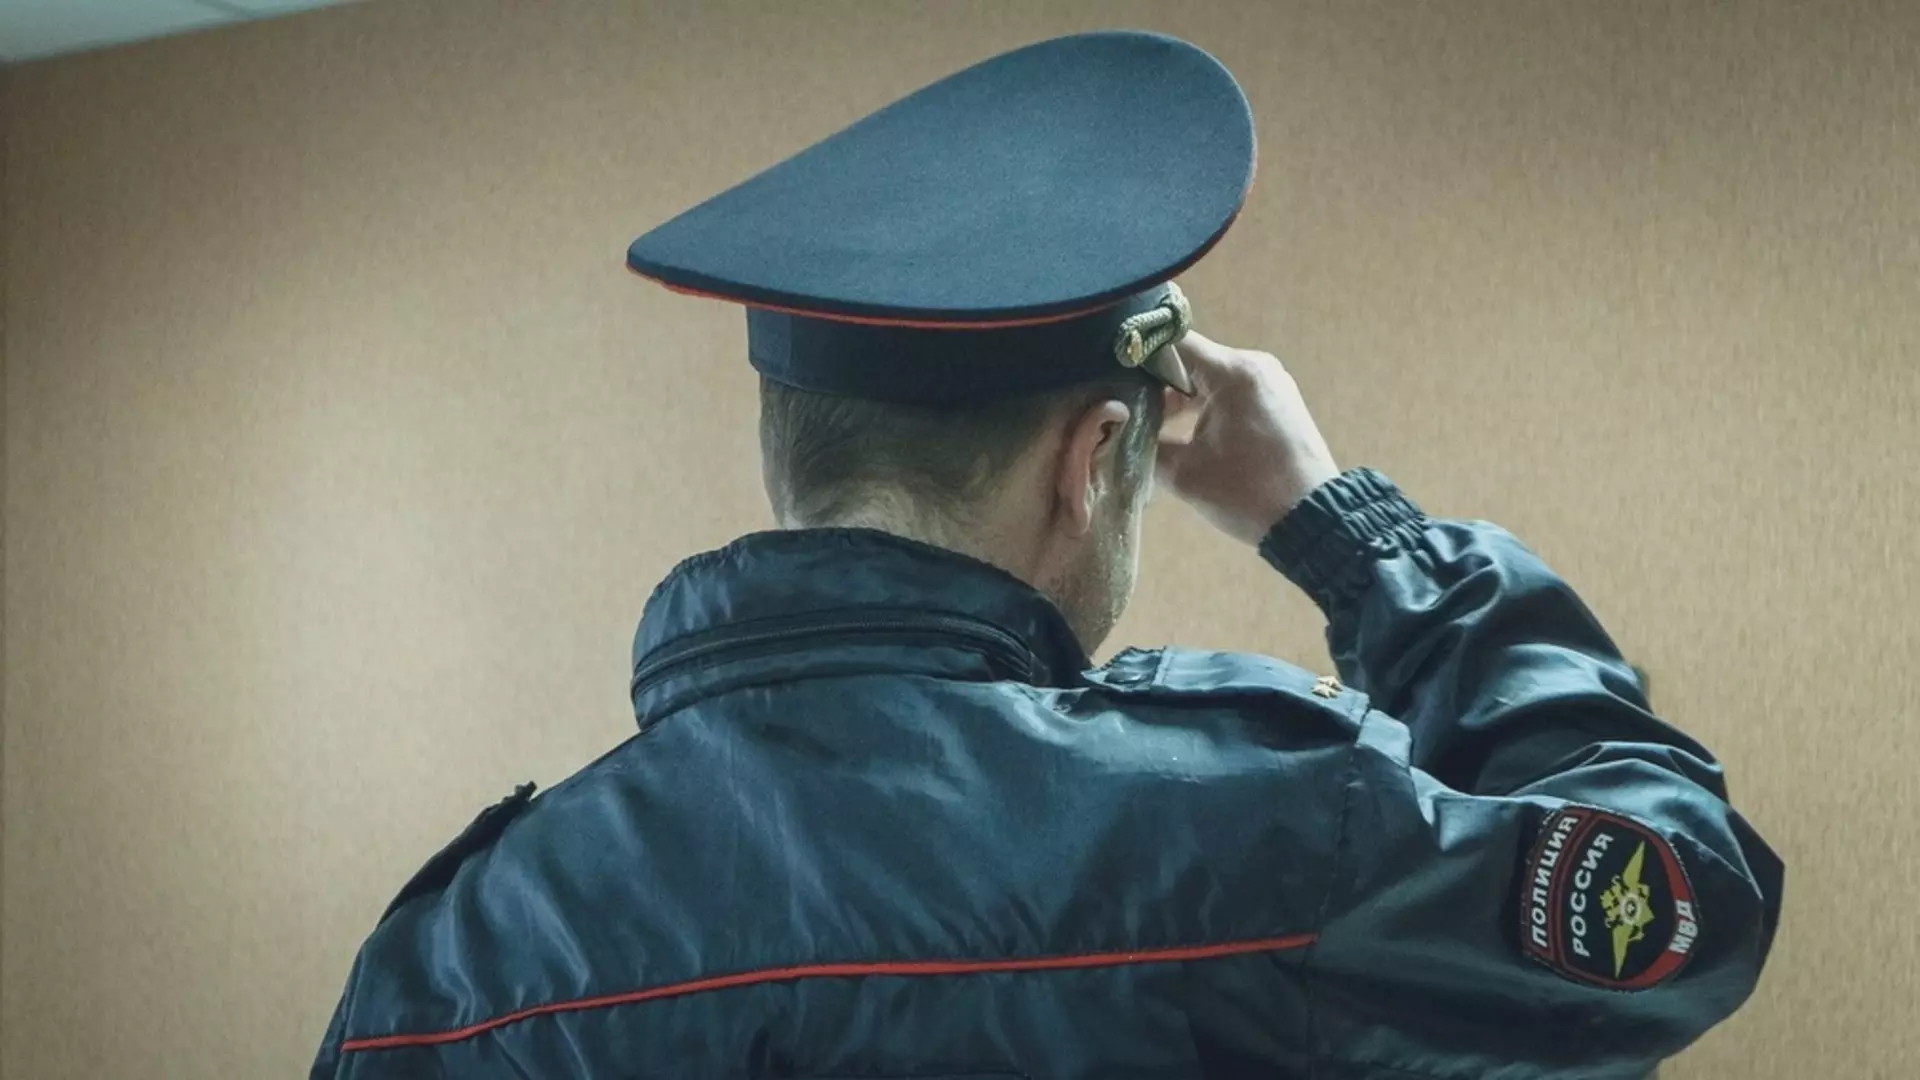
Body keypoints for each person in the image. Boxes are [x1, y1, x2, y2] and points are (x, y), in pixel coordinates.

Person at [311, 30, 1781, 1079]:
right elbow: (1686, 903)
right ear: (1091, 462)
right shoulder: (1263, 832)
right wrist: (1350, 535)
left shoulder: (457, 956)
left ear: (791, 455)